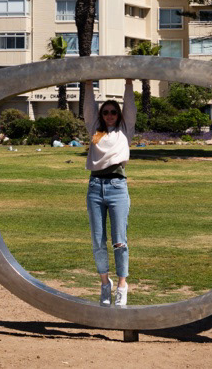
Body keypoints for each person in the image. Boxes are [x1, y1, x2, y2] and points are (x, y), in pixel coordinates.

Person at [82, 79, 136, 307]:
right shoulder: (96, 131)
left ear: (119, 114)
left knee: (119, 241)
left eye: (114, 112)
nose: (110, 115)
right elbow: (88, 109)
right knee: (98, 240)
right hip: (95, 187)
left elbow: (130, 108)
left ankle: (122, 285)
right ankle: (105, 283)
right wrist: (87, 84)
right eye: (106, 112)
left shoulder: (125, 130)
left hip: (117, 187)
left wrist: (129, 83)